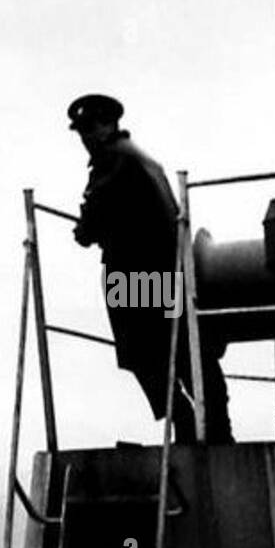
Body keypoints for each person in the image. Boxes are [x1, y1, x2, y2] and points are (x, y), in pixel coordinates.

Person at [68, 93, 232, 443]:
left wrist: (84, 229)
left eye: (92, 128)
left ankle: (187, 425)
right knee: (182, 348)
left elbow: (92, 220)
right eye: (82, 131)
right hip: (164, 270)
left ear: (110, 124)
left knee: (146, 354)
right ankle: (214, 428)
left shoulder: (113, 160)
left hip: (136, 275)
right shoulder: (140, 157)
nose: (87, 137)